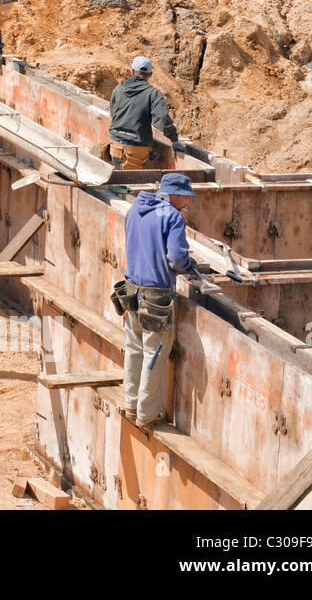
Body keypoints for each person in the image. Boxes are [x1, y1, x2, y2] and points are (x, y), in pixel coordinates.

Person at [114, 172, 195, 430]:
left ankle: (131, 404)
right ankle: (146, 416)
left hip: (131, 291)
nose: (188, 203)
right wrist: (188, 264)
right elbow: (176, 258)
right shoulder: (173, 217)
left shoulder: (135, 210)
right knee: (154, 353)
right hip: (156, 298)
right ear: (172, 194)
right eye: (185, 196)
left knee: (134, 348)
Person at [107, 56, 184, 169]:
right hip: (136, 151)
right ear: (150, 74)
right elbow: (162, 120)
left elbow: (114, 113)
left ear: (132, 71)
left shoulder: (118, 88)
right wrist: (174, 140)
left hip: (115, 147)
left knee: (120, 181)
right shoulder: (153, 94)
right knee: (133, 183)